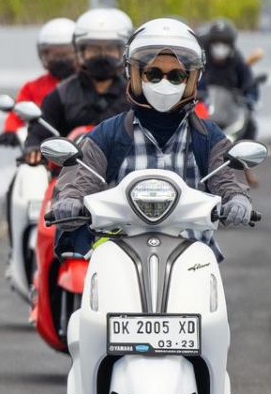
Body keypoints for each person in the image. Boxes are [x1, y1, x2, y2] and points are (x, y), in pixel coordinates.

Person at [51, 17, 253, 255]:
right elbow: (83, 177)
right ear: (133, 74)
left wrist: (237, 199)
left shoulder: (208, 136)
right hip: (121, 252)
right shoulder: (108, 133)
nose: (164, 83)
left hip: (192, 254)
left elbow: (226, 179)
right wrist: (72, 199)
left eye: (176, 75)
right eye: (153, 73)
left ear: (193, 78)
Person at [22, 6, 134, 162]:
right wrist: (33, 146)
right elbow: (40, 130)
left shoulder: (135, 95)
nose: (102, 55)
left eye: (109, 49)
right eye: (94, 49)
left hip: (124, 176)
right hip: (68, 177)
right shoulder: (62, 93)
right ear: (80, 51)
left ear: (122, 51)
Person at [0, 17, 77, 150]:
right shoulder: (32, 88)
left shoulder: (91, 85)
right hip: (42, 150)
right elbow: (17, 114)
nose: (61, 60)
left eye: (66, 55)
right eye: (55, 55)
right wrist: (11, 131)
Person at [198, 19, 259, 138]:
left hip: (229, 114)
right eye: (216, 43)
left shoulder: (237, 60)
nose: (220, 47)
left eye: (224, 43)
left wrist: (250, 99)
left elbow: (249, 84)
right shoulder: (200, 59)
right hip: (203, 112)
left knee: (250, 126)